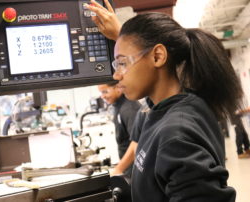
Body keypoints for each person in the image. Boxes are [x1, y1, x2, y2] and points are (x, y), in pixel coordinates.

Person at [87, 0, 243, 201]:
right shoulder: (178, 105)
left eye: (122, 63)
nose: (117, 76)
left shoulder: (176, 135)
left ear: (158, 56)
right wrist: (122, 36)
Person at [98, 83, 141, 177]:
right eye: (101, 93)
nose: (102, 96)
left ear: (118, 88)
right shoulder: (118, 106)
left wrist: (119, 168)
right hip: (128, 167)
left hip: (134, 168)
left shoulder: (129, 109)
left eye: (105, 91)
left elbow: (137, 142)